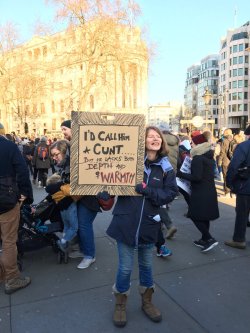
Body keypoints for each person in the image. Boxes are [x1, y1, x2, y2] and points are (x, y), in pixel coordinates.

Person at [107, 126, 178, 327]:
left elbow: (170, 193)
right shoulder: (128, 161)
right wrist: (105, 195)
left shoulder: (165, 167)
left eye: (158, 137)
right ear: (142, 141)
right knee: (125, 268)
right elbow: (111, 182)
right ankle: (120, 304)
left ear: (162, 142)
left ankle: (147, 302)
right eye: (150, 136)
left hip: (149, 224)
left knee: (146, 266)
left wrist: (148, 191)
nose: (155, 139)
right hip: (125, 222)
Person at [60, 120, 102, 269]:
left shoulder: (82, 146)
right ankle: (84, 250)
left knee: (84, 225)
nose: (63, 132)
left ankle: (90, 255)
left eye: (65, 129)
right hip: (80, 195)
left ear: (74, 128)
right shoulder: (73, 146)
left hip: (89, 195)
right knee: (79, 224)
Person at [0, 122, 33, 294]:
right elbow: (22, 171)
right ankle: (12, 278)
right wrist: (25, 193)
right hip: (6, 201)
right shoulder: (9, 146)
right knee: (8, 241)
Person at [177, 133, 219, 253]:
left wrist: (180, 174)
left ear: (198, 144)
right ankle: (204, 239)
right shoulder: (209, 156)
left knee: (194, 215)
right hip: (209, 190)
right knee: (204, 216)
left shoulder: (198, 158)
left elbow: (196, 177)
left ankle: (209, 238)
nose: (191, 144)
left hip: (200, 191)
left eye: (193, 142)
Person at [46, 140, 79, 252]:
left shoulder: (72, 166)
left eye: (56, 154)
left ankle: (66, 242)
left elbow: (73, 189)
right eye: (52, 155)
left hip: (68, 202)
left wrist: (58, 187)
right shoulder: (62, 166)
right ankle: (66, 242)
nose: (54, 158)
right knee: (70, 226)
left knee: (71, 226)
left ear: (65, 152)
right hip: (65, 203)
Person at [224, 125, 250, 249]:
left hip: (245, 186)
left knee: (242, 213)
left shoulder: (244, 146)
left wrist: (229, 182)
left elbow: (234, 166)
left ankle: (239, 239)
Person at [217, 128, 234, 197]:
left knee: (226, 177)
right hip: (232, 161)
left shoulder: (224, 141)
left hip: (225, 161)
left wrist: (219, 161)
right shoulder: (233, 140)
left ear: (226, 133)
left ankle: (227, 192)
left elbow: (222, 152)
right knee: (232, 177)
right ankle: (232, 193)